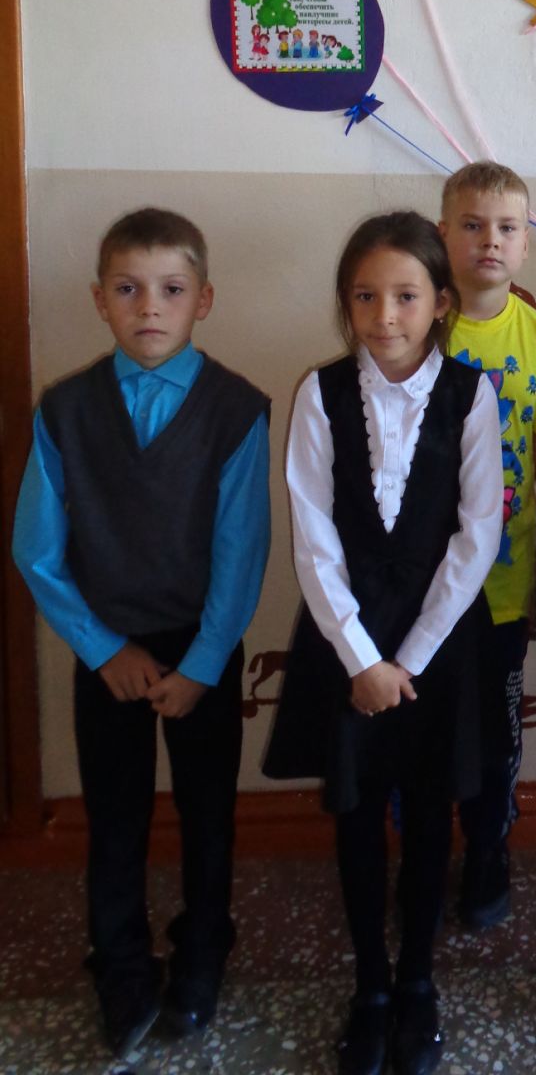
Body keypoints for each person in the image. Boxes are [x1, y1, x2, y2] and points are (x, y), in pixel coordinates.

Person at [12, 208, 270, 1060]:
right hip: (108, 652)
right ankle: (119, 959)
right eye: (127, 289)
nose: (149, 307)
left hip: (203, 648)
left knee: (208, 810)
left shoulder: (235, 410)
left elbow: (242, 551)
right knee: (114, 814)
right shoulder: (66, 410)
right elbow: (36, 551)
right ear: (99, 300)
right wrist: (102, 650)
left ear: (203, 300)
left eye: (170, 289)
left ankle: (205, 942)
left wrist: (202, 664)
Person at [262, 212, 502, 1075]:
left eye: (404, 295)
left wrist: (413, 657)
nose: (384, 315)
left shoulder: (472, 394)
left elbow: (477, 535)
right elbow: (312, 537)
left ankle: (418, 981)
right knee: (358, 813)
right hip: (348, 639)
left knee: (432, 816)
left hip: (441, 644)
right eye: (365, 296)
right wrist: (363, 660)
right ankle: (370, 984)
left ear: (440, 303)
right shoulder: (321, 394)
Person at [437, 162, 536, 927]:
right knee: (423, 724)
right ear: (442, 236)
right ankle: (426, 849)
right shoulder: (415, 325)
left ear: (525, 245)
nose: (489, 240)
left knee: (495, 731)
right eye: (472, 225)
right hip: (420, 585)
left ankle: (488, 847)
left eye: (507, 228)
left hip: (503, 585)